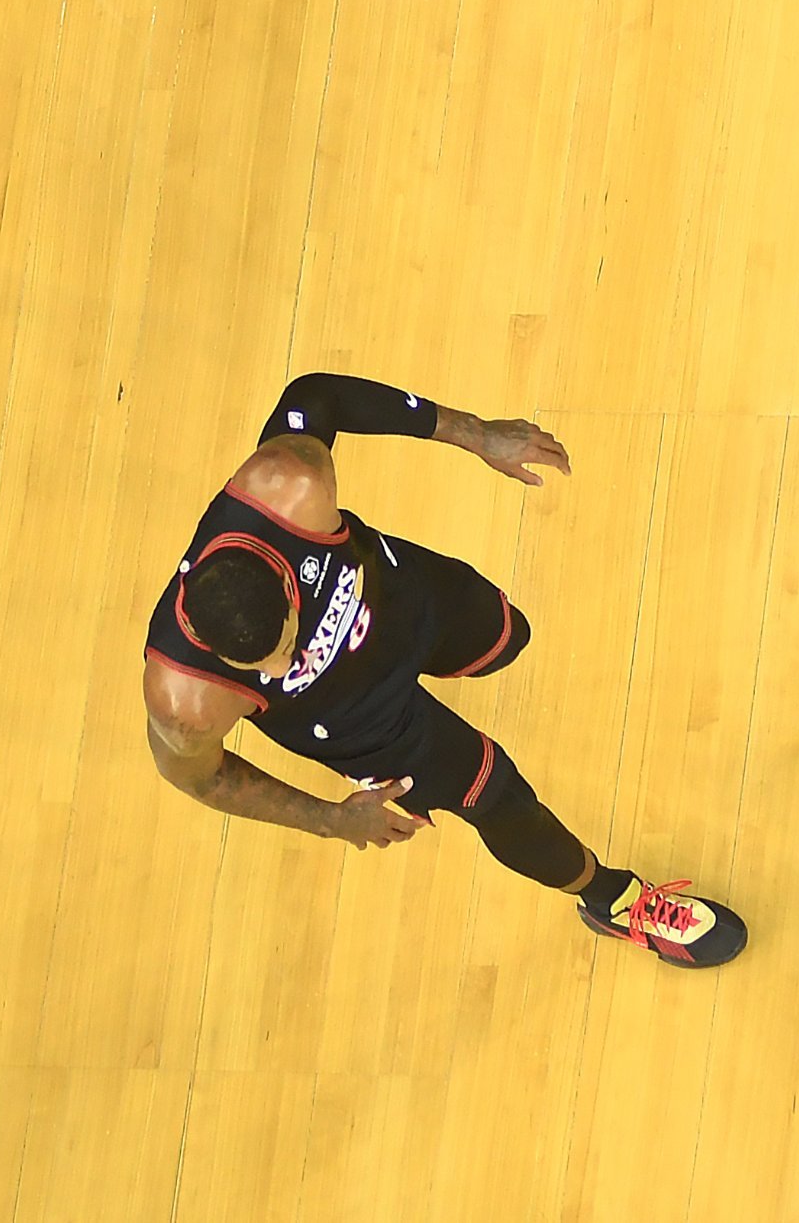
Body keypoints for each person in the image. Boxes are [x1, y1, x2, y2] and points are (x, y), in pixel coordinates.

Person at [140, 372, 748, 964]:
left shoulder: (288, 486)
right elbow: (201, 778)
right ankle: (612, 899)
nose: (286, 662)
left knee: (508, 638)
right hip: (358, 723)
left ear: (284, 577)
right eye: (265, 668)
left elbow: (314, 394)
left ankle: (457, 659)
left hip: (405, 601)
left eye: (288, 641)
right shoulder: (184, 699)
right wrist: (329, 819)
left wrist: (477, 433)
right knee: (496, 794)